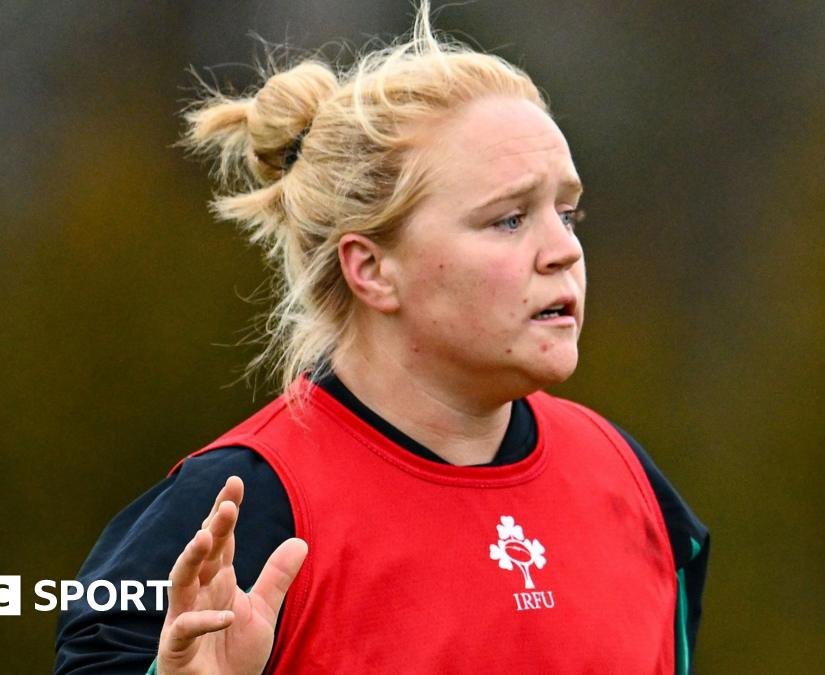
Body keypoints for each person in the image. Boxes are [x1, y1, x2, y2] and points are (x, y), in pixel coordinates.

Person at [55, 4, 708, 673]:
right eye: (509, 219)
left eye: (566, 212)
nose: (563, 250)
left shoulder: (631, 487)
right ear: (370, 268)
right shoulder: (239, 513)